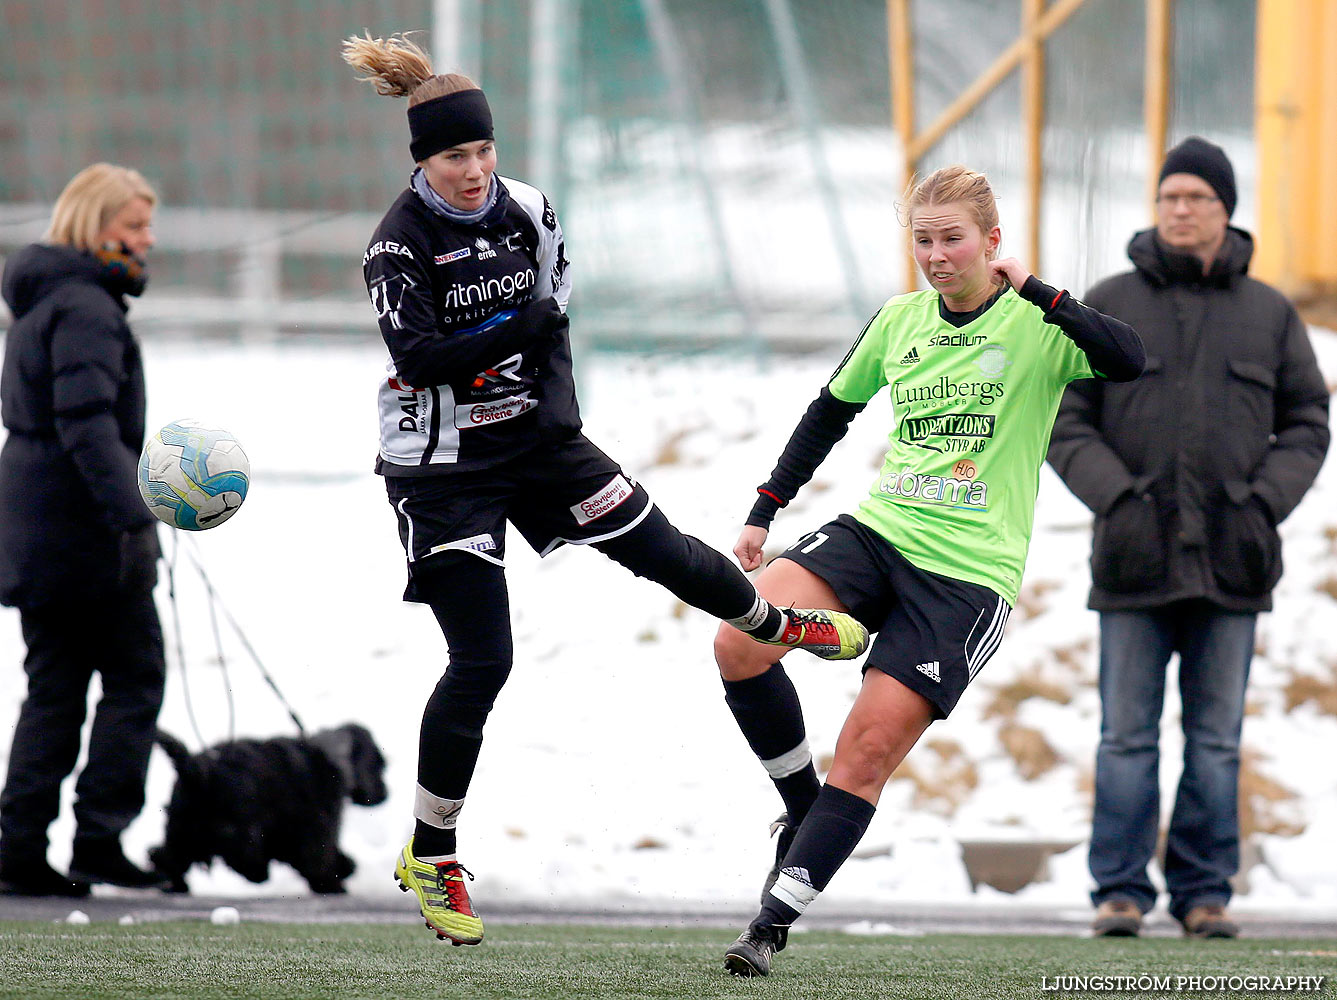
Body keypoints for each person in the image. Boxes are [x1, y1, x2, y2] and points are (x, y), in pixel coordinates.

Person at [339, 32, 870, 946]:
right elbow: (420, 357)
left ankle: (771, 623)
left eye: (483, 150)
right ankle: (431, 853)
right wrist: (521, 327)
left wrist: (558, 415)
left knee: (660, 547)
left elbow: (554, 327)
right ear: (422, 160)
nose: (474, 170)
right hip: (442, 468)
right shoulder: (397, 246)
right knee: (484, 660)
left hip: (535, 440)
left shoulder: (529, 212)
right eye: (454, 156)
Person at [713, 164, 1146, 977]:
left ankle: (769, 925)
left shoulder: (1039, 325)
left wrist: (1045, 295)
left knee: (866, 750)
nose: (937, 256)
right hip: (879, 532)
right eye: (923, 240)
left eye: (953, 240)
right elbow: (829, 413)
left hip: (965, 579)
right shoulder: (900, 320)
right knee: (738, 640)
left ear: (991, 243)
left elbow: (1129, 360)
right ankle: (799, 803)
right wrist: (764, 507)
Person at [1047, 136, 1330, 939]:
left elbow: (1308, 420)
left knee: (1215, 741)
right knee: (1125, 739)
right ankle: (1119, 895)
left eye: (1195, 198)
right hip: (1132, 560)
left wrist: (1261, 503)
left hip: (1233, 563)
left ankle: (1205, 896)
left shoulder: (1269, 312)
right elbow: (1065, 420)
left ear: (1224, 210)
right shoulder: (1105, 304)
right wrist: (1118, 499)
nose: (1179, 209)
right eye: (1168, 196)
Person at [0, 163, 170, 895]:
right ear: (91, 228)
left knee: (55, 690)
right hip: (84, 534)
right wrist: (136, 515)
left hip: (36, 527)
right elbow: (86, 425)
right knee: (135, 678)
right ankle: (98, 837)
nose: (146, 240)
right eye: (131, 227)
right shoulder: (88, 309)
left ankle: (19, 846)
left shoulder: (43, 301)